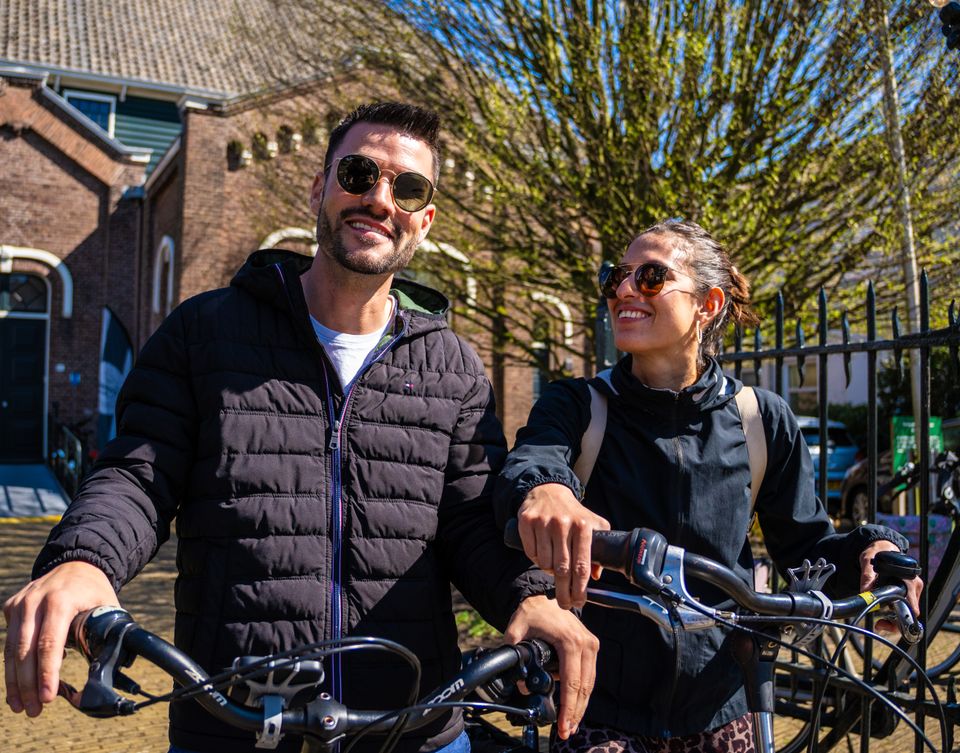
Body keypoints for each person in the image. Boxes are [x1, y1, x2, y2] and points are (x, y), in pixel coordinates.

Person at [3, 102, 598, 753]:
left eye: (407, 188)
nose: (379, 198)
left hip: (413, 729)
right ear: (319, 187)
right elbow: (139, 478)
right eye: (358, 172)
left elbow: (468, 519)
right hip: (234, 727)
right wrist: (84, 560)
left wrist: (528, 598)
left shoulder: (451, 365)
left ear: (424, 222)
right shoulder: (206, 332)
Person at [493, 219, 922, 753]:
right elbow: (531, 462)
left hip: (726, 710)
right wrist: (548, 490)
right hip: (600, 712)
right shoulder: (577, 405)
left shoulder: (759, 419)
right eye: (616, 277)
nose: (624, 290)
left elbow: (807, 549)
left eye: (650, 277)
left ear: (708, 304)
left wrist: (871, 552)